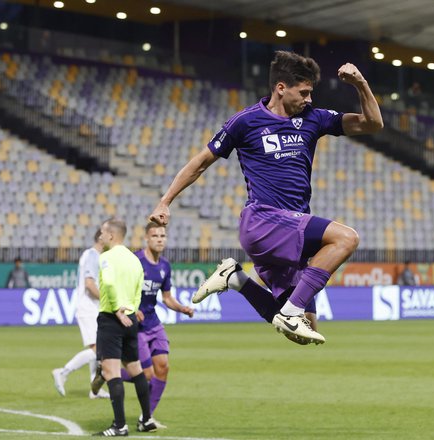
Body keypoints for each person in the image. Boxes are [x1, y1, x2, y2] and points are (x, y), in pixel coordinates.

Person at [149, 51, 383, 345]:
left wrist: (360, 83)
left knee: (304, 331)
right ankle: (290, 309)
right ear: (281, 88)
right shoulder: (245, 122)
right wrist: (165, 201)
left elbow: (372, 124)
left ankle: (236, 278)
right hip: (264, 222)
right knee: (346, 238)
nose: (310, 99)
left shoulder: (314, 119)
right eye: (305, 92)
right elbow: (200, 163)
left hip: (292, 230)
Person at [93, 218, 157, 436]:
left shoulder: (106, 258)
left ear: (111, 235)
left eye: (102, 232)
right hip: (131, 319)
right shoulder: (134, 259)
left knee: (111, 372)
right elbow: (139, 289)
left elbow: (109, 283)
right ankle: (147, 419)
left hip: (112, 318)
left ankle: (119, 425)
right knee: (135, 368)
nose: (100, 236)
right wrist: (130, 309)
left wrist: (118, 309)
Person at [130, 222, 194, 427]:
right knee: (147, 374)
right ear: (146, 239)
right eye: (155, 235)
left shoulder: (165, 266)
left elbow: (166, 298)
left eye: (163, 235)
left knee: (163, 368)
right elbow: (122, 289)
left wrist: (181, 308)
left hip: (153, 323)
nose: (159, 239)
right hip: (135, 325)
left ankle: (146, 417)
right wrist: (132, 308)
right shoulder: (136, 262)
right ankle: (107, 372)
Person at [52, 228, 110, 399]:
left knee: (98, 349)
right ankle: (63, 372)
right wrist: (108, 300)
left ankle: (95, 389)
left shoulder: (95, 256)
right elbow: (90, 285)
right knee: (98, 349)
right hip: (88, 308)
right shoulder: (92, 255)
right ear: (101, 237)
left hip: (93, 308)